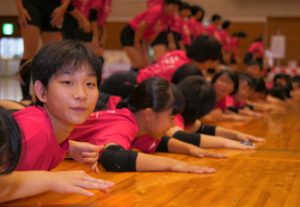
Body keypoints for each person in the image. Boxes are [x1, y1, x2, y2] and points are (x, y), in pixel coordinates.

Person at [0, 40, 114, 203]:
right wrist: (52, 180)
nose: (81, 94)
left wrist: (69, 148)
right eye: (67, 82)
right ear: (41, 91)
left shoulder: (52, 130)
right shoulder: (34, 129)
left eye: (90, 84)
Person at [70, 78, 218, 173]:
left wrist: (190, 148)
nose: (172, 124)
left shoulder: (138, 126)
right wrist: (175, 165)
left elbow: (159, 143)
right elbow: (113, 157)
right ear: (148, 114)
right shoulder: (124, 124)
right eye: (171, 118)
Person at [166, 76, 264, 148]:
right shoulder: (174, 115)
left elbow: (207, 129)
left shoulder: (186, 115)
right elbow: (181, 136)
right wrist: (230, 143)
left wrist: (237, 135)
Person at [15, 0, 72, 100]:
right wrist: (20, 9)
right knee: (29, 53)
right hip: (31, 4)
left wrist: (63, 7)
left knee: (51, 57)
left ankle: (44, 97)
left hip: (54, 6)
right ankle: (25, 98)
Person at [120, 0, 181, 71]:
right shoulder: (156, 11)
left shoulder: (170, 16)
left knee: (145, 65)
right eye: (173, 7)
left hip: (141, 36)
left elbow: (157, 32)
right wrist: (137, 43)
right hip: (131, 34)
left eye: (176, 8)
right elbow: (141, 27)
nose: (174, 10)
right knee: (138, 64)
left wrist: (146, 45)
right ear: (165, 5)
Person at [136, 35, 221, 83]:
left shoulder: (178, 53)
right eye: (215, 61)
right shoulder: (189, 73)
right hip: (140, 89)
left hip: (136, 76)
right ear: (209, 60)